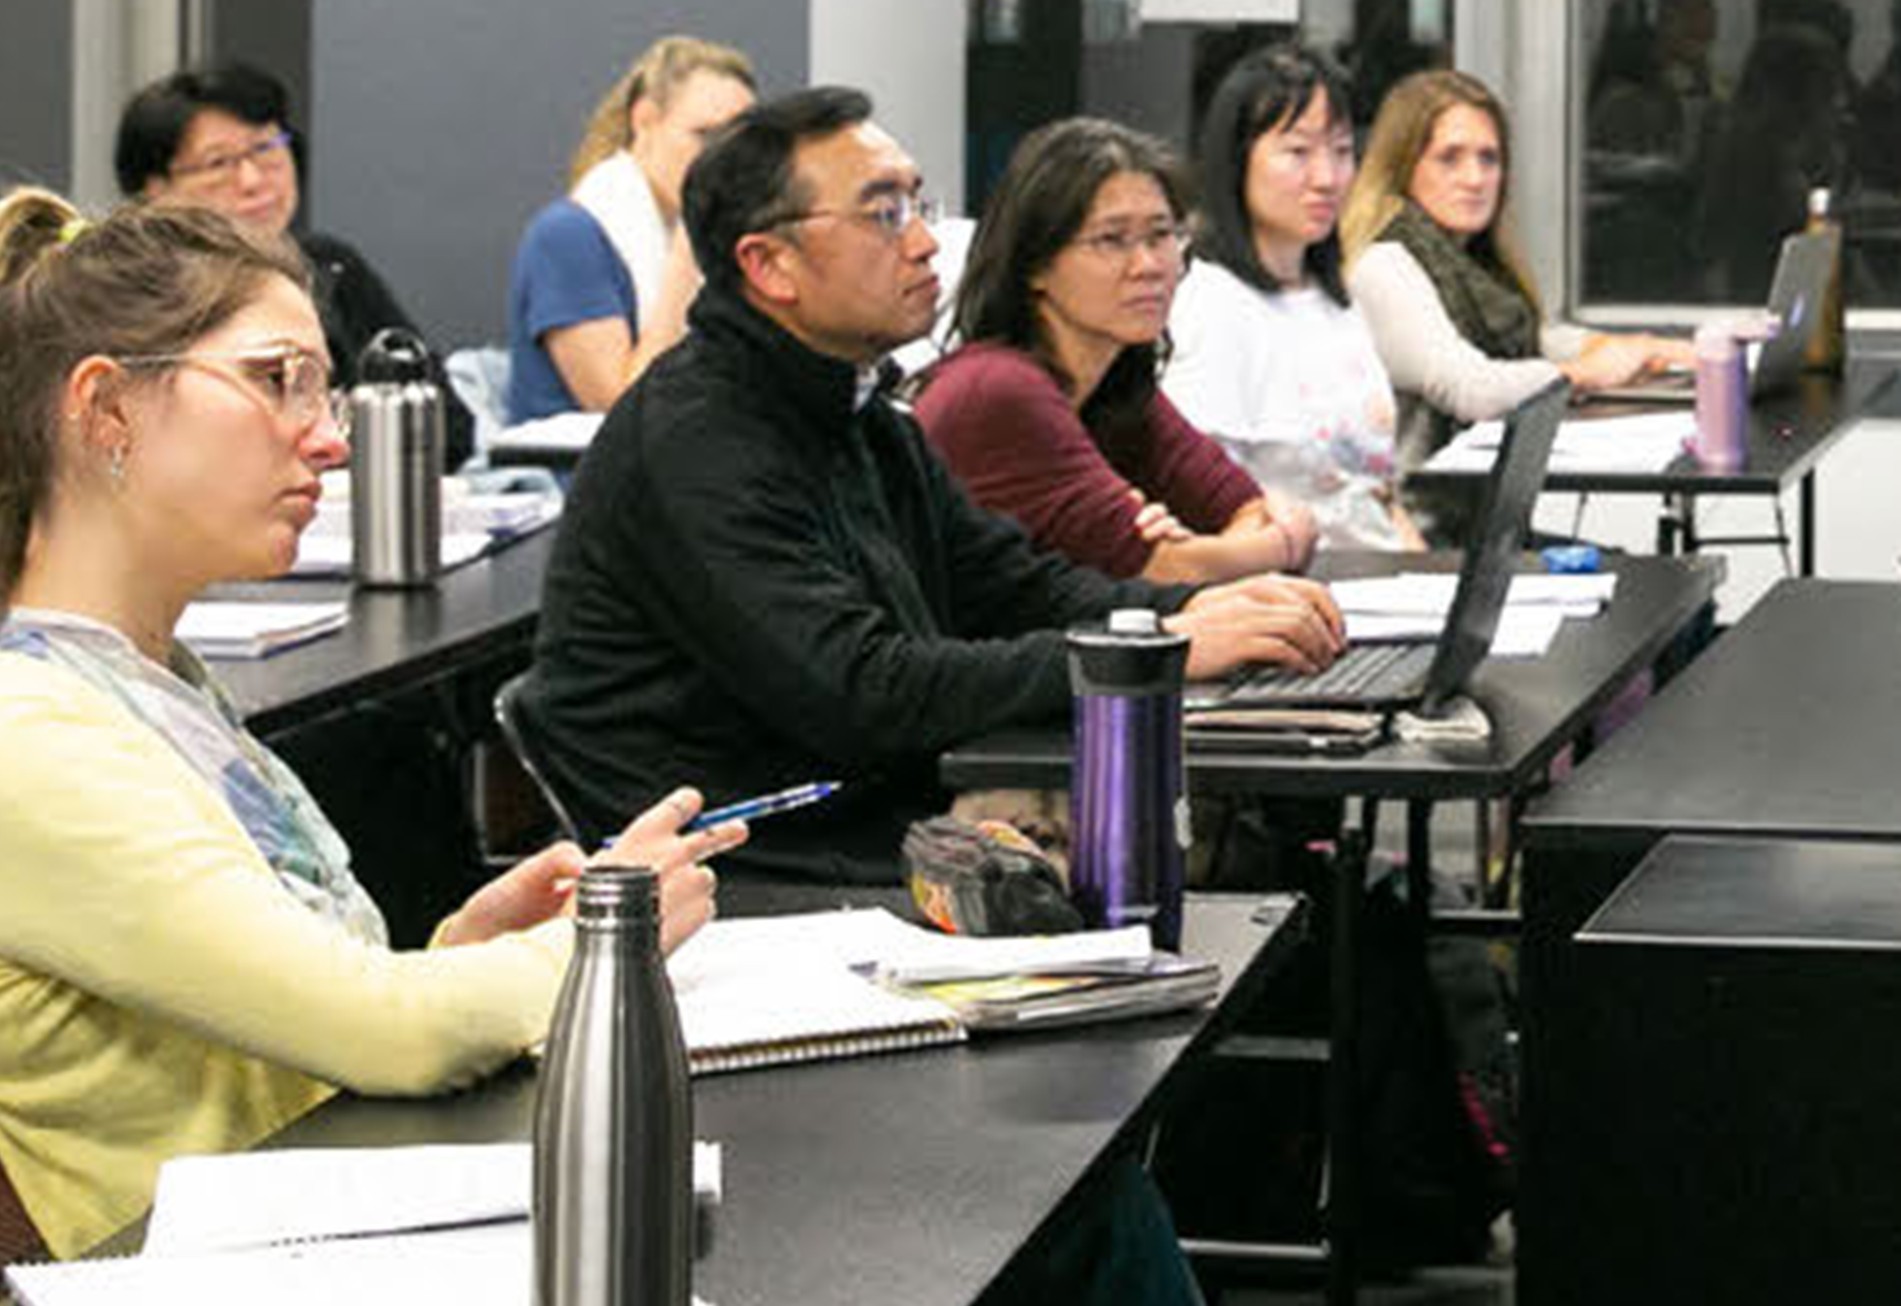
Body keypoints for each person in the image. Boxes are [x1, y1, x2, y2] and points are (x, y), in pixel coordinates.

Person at [0, 189, 740, 1262]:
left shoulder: (149, 687)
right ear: (107, 409)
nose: (326, 438)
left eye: (323, 388)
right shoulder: (33, 736)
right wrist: (600, 944)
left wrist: (461, 952)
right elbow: (384, 1032)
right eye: (274, 381)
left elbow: (256, 1025)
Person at [522, 87, 1344, 886]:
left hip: (876, 820)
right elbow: (864, 692)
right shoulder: (697, 441)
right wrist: (1155, 651)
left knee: (1265, 855)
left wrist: (1182, 616)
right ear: (769, 264)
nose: (923, 243)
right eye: (884, 214)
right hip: (763, 866)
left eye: (919, 204)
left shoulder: (860, 412)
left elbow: (1012, 585)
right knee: (1230, 862)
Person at [913, 117, 1319, 582]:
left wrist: (1225, 546)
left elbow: (1245, 509)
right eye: (1111, 240)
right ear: (1036, 265)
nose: (1148, 265)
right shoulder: (998, 389)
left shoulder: (1118, 380)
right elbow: (1167, 569)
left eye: (1160, 235)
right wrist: (1280, 543)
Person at [1340, 68, 1692, 531]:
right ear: (1403, 167)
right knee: (1645, 588)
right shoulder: (1383, 263)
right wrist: (1583, 374)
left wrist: (1659, 348)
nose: (1475, 178)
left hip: (1482, 526)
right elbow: (1469, 387)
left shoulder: (1468, 262)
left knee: (1661, 587)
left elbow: (1529, 338)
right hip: (1419, 536)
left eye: (1489, 159)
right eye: (1450, 158)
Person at [115, 63, 475, 468]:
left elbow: (449, 427)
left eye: (266, 149)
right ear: (154, 190)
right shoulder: (143, 301)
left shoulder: (330, 266)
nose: (252, 180)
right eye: (218, 163)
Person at [1164, 44, 1424, 552]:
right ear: (1237, 160)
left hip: (1382, 578)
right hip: (1292, 588)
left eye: (1343, 150)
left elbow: (1376, 495)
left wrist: (1428, 568)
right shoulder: (1211, 304)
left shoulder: (1332, 297)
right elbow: (1201, 501)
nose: (1327, 178)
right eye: (1298, 152)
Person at [505, 36, 756, 422]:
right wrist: (689, 245)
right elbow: (623, 409)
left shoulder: (730, 239)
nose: (721, 160)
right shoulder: (567, 237)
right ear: (644, 120)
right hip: (576, 473)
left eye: (737, 143)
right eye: (705, 136)